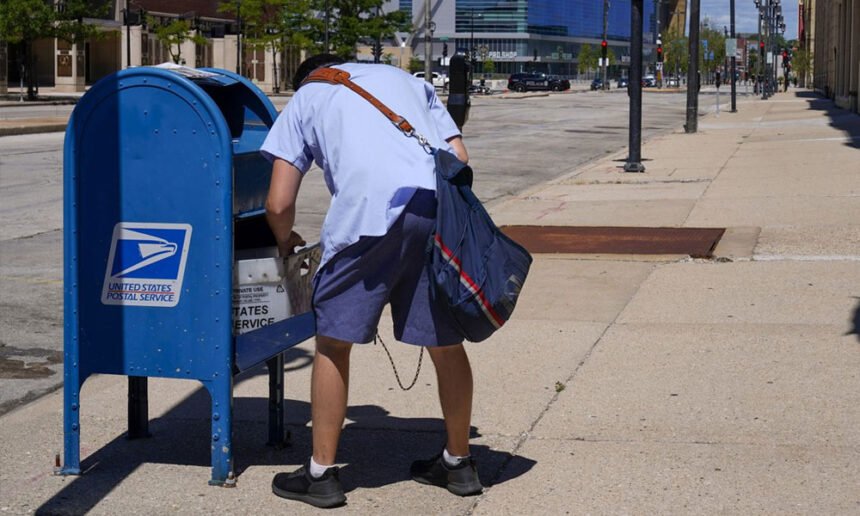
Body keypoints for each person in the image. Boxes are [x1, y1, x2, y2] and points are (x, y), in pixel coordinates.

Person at [260, 54, 481, 509]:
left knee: (333, 343)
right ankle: (459, 463)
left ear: (306, 78)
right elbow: (458, 156)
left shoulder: (308, 96)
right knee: (444, 342)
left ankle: (320, 474)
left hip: (365, 219)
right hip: (432, 210)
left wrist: (284, 245)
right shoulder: (405, 79)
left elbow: (279, 203)